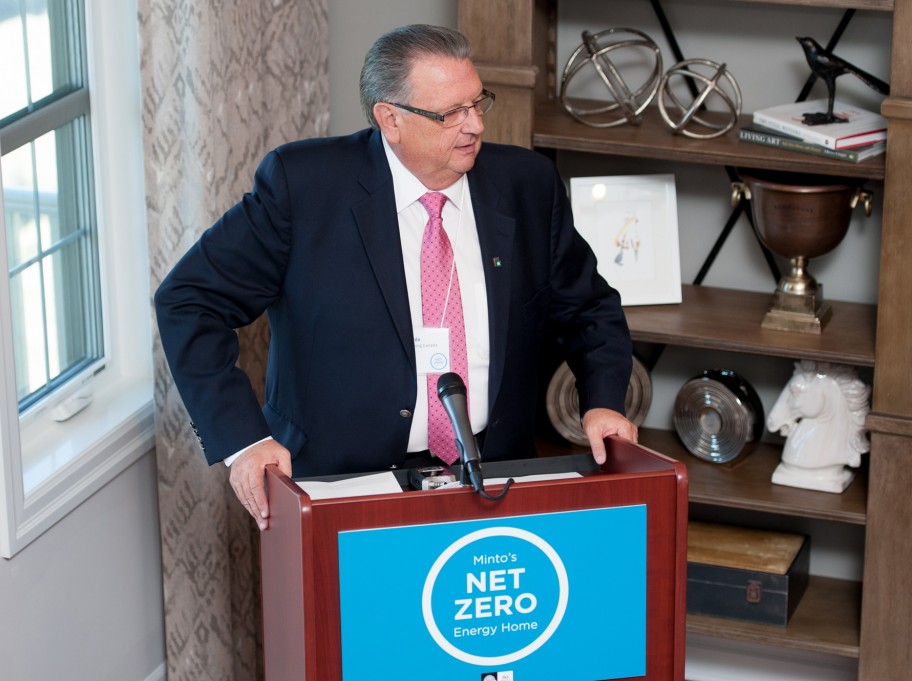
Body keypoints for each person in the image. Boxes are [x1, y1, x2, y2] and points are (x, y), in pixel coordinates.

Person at [155, 24, 638, 531]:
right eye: (451, 113)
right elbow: (189, 300)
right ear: (391, 119)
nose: (474, 125)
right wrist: (244, 441)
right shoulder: (304, 187)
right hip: (340, 485)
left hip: (494, 480)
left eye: (478, 103)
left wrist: (602, 402)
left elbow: (590, 309)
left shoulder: (527, 184)